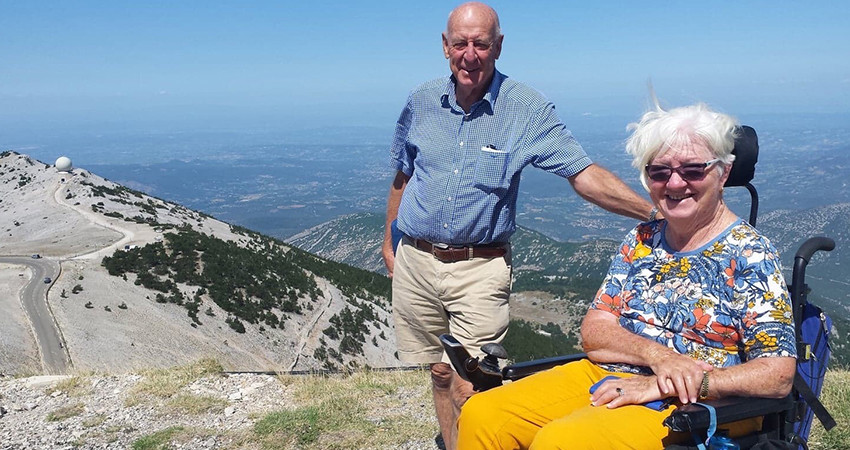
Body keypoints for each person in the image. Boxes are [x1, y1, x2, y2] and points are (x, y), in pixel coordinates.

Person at [382, 3, 655, 449]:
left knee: (473, 381)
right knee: (438, 369)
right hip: (415, 258)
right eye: (460, 44)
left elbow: (582, 172)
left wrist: (652, 213)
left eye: (481, 44)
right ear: (445, 47)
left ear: (499, 46)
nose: (470, 55)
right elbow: (402, 172)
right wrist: (389, 238)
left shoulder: (524, 107)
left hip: (478, 266)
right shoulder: (422, 100)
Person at [455, 101, 798, 449]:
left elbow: (777, 375)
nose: (675, 183)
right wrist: (658, 357)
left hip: (704, 402)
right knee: (483, 415)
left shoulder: (750, 253)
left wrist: (670, 383)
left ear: (723, 173)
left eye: (693, 170)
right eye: (659, 172)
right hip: (614, 375)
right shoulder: (642, 239)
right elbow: (596, 331)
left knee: (564, 441)